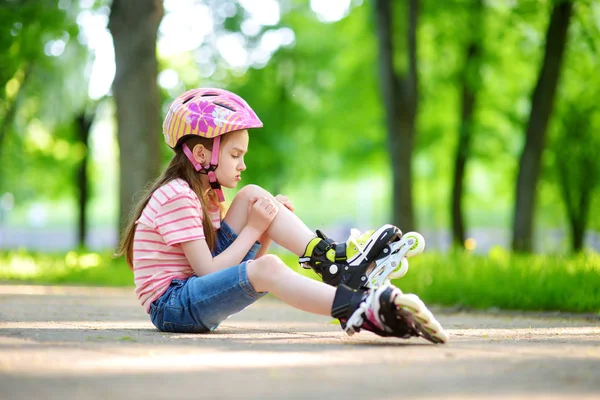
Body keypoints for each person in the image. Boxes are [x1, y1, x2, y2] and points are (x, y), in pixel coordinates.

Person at [116, 88, 448, 344]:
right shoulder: (177, 195)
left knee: (253, 197)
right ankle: (359, 308)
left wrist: (265, 232)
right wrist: (255, 229)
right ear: (202, 154)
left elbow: (241, 272)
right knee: (270, 264)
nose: (242, 164)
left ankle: (333, 261)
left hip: (194, 293)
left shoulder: (206, 196)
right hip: (174, 307)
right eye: (234, 155)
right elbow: (208, 271)